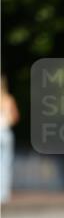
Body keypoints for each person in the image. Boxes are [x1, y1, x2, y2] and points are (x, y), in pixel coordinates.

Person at [0, 76, 19, 204]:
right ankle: (4, 195)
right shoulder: (8, 99)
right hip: (5, 133)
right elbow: (15, 117)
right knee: (5, 164)